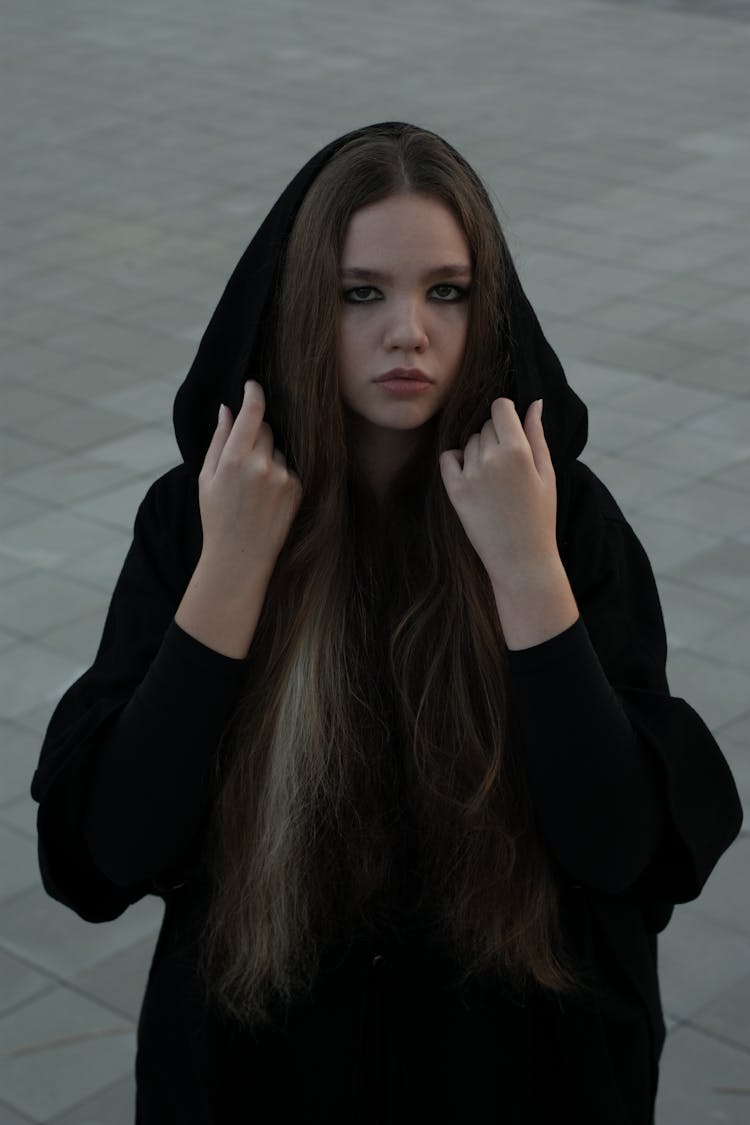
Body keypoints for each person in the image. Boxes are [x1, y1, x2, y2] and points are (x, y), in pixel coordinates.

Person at [32, 121, 742, 1124]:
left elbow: (619, 850)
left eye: (446, 291)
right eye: (359, 292)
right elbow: (108, 853)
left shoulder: (563, 514)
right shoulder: (198, 514)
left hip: (519, 1077)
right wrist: (233, 565)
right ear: (298, 307)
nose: (407, 331)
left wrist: (526, 568)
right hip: (259, 1080)